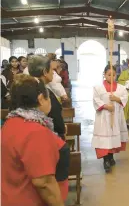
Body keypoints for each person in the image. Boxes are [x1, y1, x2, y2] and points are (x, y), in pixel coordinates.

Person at [1, 74, 69, 206]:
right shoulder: (35, 132)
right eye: (49, 96)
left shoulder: (11, 122)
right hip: (29, 199)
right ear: (41, 99)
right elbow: (43, 182)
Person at [92, 65, 129, 173]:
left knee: (113, 137)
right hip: (103, 117)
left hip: (116, 116)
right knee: (104, 139)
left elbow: (124, 98)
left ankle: (111, 156)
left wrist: (116, 99)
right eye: (109, 75)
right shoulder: (98, 88)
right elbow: (95, 99)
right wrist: (105, 106)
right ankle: (106, 160)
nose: (111, 77)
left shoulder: (121, 88)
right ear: (104, 74)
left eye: (114, 75)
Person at [28, 55, 66, 140]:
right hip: (47, 138)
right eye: (52, 70)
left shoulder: (28, 87)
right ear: (45, 72)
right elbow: (56, 120)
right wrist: (62, 131)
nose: (53, 72)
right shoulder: (43, 92)